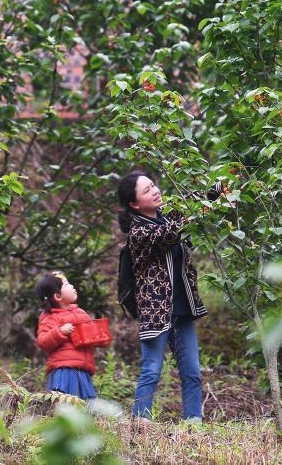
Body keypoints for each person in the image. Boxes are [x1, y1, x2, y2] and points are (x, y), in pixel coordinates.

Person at [117, 169, 221, 422]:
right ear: (134, 204)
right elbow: (173, 232)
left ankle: (193, 423)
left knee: (192, 372)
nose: (155, 191)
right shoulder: (139, 233)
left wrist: (215, 194)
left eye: (153, 186)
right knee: (151, 370)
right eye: (147, 190)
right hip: (156, 311)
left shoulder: (167, 218)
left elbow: (188, 214)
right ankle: (140, 423)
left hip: (182, 307)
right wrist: (205, 200)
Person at [36, 272, 103, 401]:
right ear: (57, 296)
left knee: (84, 403)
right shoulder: (50, 316)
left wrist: (99, 338)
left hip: (83, 368)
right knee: (64, 402)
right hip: (64, 369)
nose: (72, 286)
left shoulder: (81, 313)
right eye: (66, 284)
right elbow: (43, 342)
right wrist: (60, 331)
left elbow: (92, 335)